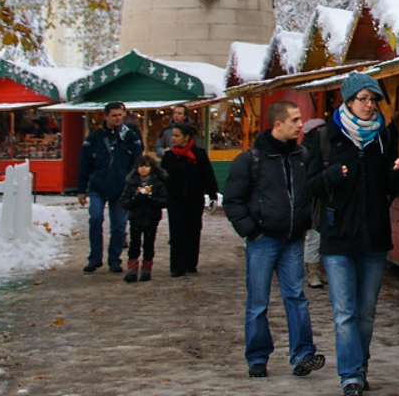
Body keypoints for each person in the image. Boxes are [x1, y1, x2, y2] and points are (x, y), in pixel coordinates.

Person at [309, 73, 399, 396]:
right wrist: (327, 177)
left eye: (373, 100)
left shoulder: (383, 135)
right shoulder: (324, 137)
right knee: (344, 312)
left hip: (373, 235)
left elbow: (387, 188)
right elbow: (308, 184)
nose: (370, 106)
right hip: (338, 236)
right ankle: (350, 375)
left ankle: (361, 364)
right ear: (348, 101)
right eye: (363, 99)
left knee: (366, 312)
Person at [223, 100, 326, 380]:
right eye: (294, 120)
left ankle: (303, 354)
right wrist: (251, 231)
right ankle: (257, 357)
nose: (300, 124)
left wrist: (305, 222)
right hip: (263, 240)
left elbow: (309, 191)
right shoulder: (251, 160)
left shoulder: (301, 156)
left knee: (296, 297)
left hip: (293, 238)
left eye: (300, 119)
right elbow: (232, 200)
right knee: (258, 301)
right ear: (277, 124)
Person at [77, 102, 141, 273]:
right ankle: (95, 257)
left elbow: (137, 163)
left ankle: (115, 259)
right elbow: (84, 164)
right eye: (114, 115)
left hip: (121, 186)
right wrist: (81, 189)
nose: (117, 119)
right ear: (105, 116)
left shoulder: (131, 137)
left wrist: (135, 185)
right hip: (98, 185)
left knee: (119, 225)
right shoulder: (94, 138)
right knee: (96, 218)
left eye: (120, 115)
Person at [160, 121, 219, 277]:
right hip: (175, 199)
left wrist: (212, 194)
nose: (173, 139)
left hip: (194, 198)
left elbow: (207, 175)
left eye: (176, 136)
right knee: (177, 232)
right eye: (172, 136)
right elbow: (162, 178)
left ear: (186, 138)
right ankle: (177, 265)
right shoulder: (169, 156)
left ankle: (191, 263)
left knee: (193, 230)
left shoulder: (198, 155)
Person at [119, 154, 169, 283]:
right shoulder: (131, 183)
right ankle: (132, 269)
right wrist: (136, 198)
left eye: (146, 166)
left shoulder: (157, 183)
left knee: (148, 244)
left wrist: (151, 198)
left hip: (151, 218)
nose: (143, 169)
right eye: (141, 166)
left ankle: (146, 269)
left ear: (152, 168)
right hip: (135, 218)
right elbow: (124, 201)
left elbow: (164, 201)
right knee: (134, 244)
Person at [301, 117, 329, 289]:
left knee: (318, 235)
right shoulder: (309, 151)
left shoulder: (310, 149)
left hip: (321, 196)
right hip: (314, 199)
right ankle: (313, 273)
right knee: (314, 235)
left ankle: (317, 271)